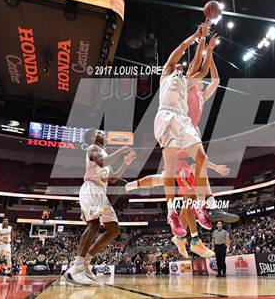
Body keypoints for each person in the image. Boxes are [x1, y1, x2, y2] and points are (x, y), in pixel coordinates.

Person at [153, 20, 237, 238]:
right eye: (180, 65)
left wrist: (207, 46)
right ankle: (172, 212)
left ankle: (205, 204)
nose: (182, 67)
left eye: (183, 66)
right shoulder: (167, 73)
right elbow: (182, 49)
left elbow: (204, 68)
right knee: (170, 167)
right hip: (167, 116)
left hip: (183, 121)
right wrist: (196, 37)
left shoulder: (189, 82)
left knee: (201, 158)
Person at [64, 128, 136, 285]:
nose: (103, 133)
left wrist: (125, 163)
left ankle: (86, 261)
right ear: (92, 137)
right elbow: (103, 162)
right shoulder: (93, 148)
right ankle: (75, 269)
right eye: (99, 132)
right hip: (91, 188)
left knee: (114, 229)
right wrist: (121, 150)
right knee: (94, 224)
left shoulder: (104, 155)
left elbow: (114, 179)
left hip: (101, 193)